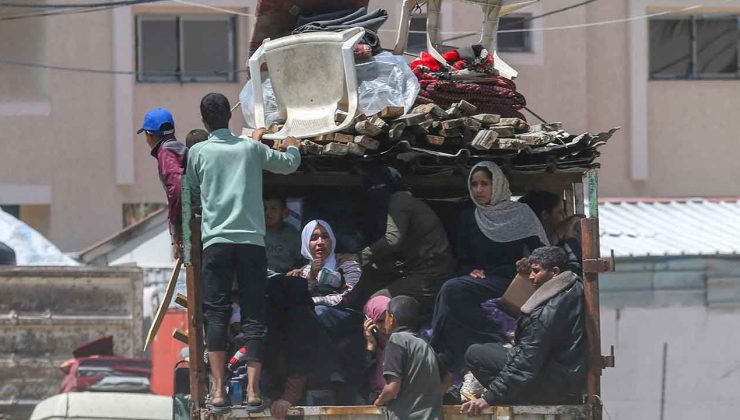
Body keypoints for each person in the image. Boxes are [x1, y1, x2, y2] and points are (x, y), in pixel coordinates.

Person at [186, 92, 301, 412]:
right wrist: (292, 143)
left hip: (216, 245)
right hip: (251, 245)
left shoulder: (198, 152)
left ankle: (220, 391)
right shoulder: (252, 149)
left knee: (217, 315)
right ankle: (253, 392)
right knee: (254, 315)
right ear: (228, 117)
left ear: (205, 121)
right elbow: (290, 164)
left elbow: (192, 192)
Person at [431, 161, 549, 373]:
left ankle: (492, 336)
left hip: (513, 281)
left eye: (484, 184)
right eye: (474, 184)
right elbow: (462, 257)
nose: (479, 190)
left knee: (452, 289)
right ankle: (450, 355)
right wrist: (469, 270)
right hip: (482, 280)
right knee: (452, 289)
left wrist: (528, 262)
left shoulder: (521, 213)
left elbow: (542, 252)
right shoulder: (469, 216)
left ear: (498, 184)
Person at [460, 247, 587, 415]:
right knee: (491, 349)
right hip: (564, 376)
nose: (532, 276)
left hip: (554, 385)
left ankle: (520, 397)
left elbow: (526, 363)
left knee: (475, 354)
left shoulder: (547, 312)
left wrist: (489, 398)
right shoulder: (573, 285)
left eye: (536, 271)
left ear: (555, 272)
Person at [349, 167, 454, 317]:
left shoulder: (399, 200)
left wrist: (357, 258)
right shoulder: (406, 202)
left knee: (376, 304)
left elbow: (392, 240)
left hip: (430, 277)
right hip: (427, 274)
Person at [287, 219, 362, 337]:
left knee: (319, 312)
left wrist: (315, 301)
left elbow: (349, 297)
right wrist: (312, 275)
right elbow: (301, 298)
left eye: (325, 236)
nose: (320, 242)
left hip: (344, 314)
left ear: (332, 240)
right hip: (314, 314)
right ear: (306, 243)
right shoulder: (303, 271)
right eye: (314, 238)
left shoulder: (347, 263)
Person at [374, 296, 443, 420]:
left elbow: (392, 388)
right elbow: (448, 380)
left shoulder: (396, 340)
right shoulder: (425, 345)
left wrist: (380, 400)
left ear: (391, 319)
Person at [137, 108, 187, 259]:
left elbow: (177, 188)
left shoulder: (165, 152)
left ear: (149, 135)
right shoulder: (180, 149)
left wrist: (177, 228)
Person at [519, 190, 583, 273]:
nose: (565, 216)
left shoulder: (553, 239)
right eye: (560, 212)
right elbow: (575, 270)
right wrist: (568, 235)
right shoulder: (529, 244)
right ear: (545, 215)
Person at [264, 196, 303, 274]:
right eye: (265, 209)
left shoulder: (292, 234)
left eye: (273, 209)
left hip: (285, 277)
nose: (268, 213)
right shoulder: (258, 232)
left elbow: (301, 260)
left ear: (285, 213)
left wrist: (296, 270)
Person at [362, 295, 391, 398]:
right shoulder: (362, 349)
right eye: (380, 321)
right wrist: (370, 346)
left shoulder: (403, 345)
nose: (385, 327)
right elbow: (362, 382)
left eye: (388, 320)